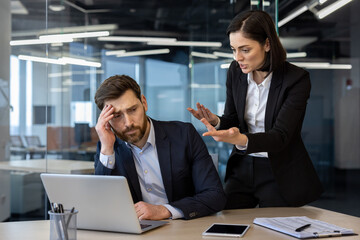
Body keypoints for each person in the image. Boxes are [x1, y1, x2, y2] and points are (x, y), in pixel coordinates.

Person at [187, 10, 323, 209]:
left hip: (278, 170)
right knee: (229, 225)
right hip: (242, 166)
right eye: (233, 49)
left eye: (245, 50)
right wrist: (217, 121)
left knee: (274, 232)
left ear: (267, 44)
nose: (237, 58)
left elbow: (281, 136)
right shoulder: (236, 72)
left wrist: (241, 139)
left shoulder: (296, 79)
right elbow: (233, 120)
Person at [94, 75, 226, 220]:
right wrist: (106, 149)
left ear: (144, 103)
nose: (128, 123)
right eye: (117, 116)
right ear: (106, 120)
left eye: (132, 110)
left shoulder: (184, 135)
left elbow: (215, 195)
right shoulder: (108, 146)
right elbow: (101, 205)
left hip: (184, 227)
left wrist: (164, 210)